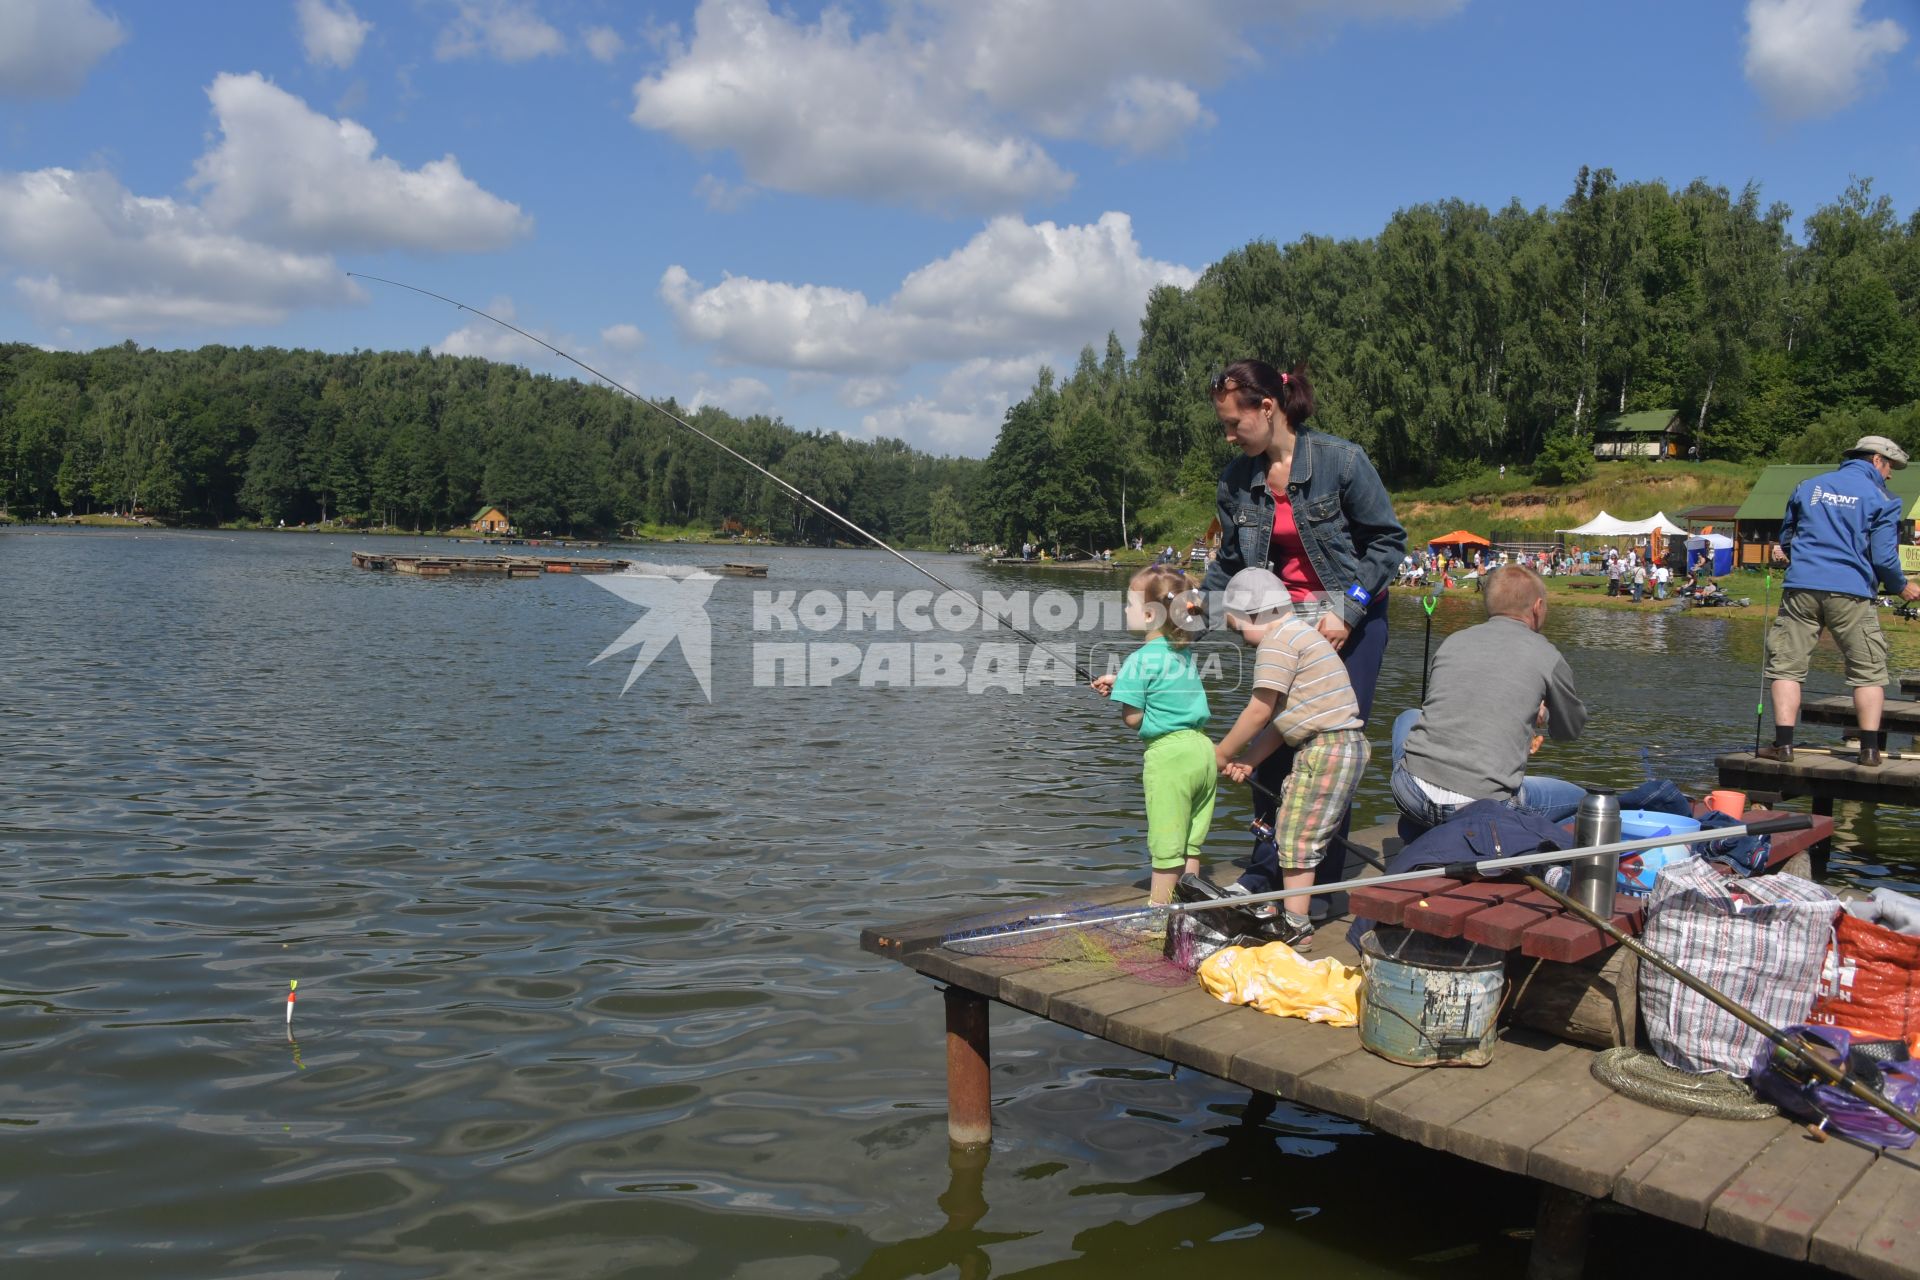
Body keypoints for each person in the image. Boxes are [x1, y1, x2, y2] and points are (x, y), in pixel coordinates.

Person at [1198, 359, 1406, 920]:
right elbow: (1230, 561)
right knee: (1271, 747)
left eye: (1233, 423)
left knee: (1324, 749)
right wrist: (1192, 609)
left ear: (1267, 409)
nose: (1228, 435)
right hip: (1283, 625)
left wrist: (1351, 609)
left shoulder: (1342, 461)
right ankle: (1265, 875)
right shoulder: (1236, 480)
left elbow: (1387, 542)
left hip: (1350, 625)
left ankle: (1317, 890)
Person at [1212, 568, 1369, 950]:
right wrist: (1249, 760)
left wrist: (1221, 752)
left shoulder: (1277, 642)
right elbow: (1284, 724)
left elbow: (1259, 711)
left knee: (1297, 838)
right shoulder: (1302, 634)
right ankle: (1293, 915)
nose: (1242, 642)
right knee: (1297, 830)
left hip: (1325, 749)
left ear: (1253, 615)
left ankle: (1296, 925)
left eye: (1237, 631)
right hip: (1340, 744)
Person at [1757, 435, 1920, 767]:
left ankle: (1783, 747)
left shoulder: (1809, 486)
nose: (1890, 475)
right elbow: (1884, 556)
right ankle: (1870, 751)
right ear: (1877, 460)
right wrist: (1901, 586)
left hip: (1802, 586)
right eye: (1890, 467)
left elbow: (1787, 536)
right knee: (1869, 672)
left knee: (1786, 666)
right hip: (1853, 591)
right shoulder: (1883, 498)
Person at [1391, 566, 1588, 836]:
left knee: (1408, 717)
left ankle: (1421, 827)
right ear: (1538, 607)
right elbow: (1569, 731)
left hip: (1411, 792)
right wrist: (1547, 714)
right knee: (1582, 799)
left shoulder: (1453, 641)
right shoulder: (1547, 655)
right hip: (1483, 805)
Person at [1090, 565, 1216, 906]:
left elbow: (1132, 718)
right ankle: (1188, 907)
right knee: (1190, 842)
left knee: (1166, 845)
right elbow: (1164, 682)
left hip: (1169, 757)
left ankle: (1158, 915)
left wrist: (1129, 695)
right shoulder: (1183, 652)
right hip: (1203, 752)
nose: (1126, 611)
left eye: (1129, 605)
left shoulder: (1138, 659)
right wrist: (1123, 682)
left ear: (1148, 614)